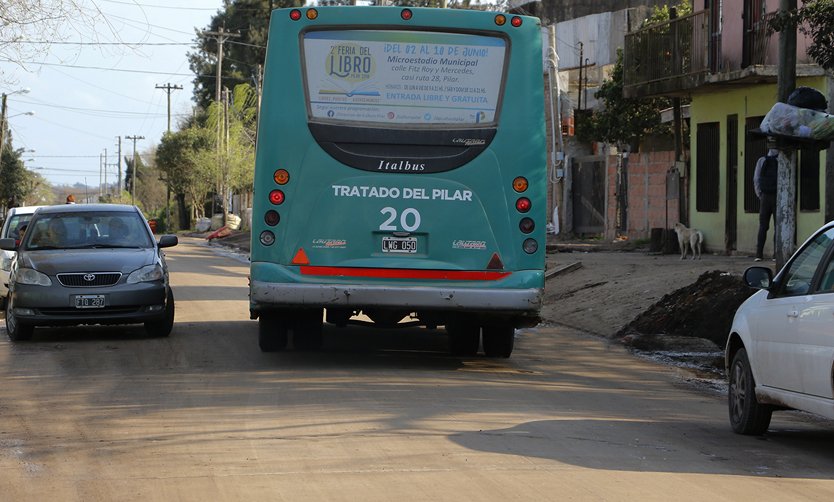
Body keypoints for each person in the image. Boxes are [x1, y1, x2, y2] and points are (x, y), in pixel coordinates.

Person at [753, 147, 779, 261]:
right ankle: (775, 255)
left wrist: (760, 195)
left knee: (763, 226)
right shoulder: (781, 160)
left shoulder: (761, 160)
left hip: (764, 197)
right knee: (778, 227)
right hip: (777, 197)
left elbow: (756, 179)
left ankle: (759, 254)